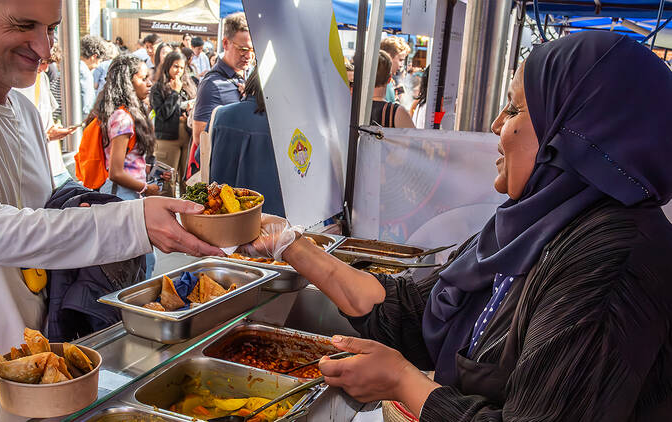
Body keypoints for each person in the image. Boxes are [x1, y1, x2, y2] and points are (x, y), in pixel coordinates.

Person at [241, 31, 672, 420]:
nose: (497, 125)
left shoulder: (612, 263)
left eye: (516, 108)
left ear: (574, 131)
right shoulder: (534, 224)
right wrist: (290, 246)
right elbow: (416, 314)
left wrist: (403, 383)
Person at [0, 0, 222, 354]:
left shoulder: (26, 112)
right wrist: (133, 221)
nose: (45, 49)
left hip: (36, 361)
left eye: (50, 29)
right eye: (23, 26)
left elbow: (39, 221)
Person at [87, 54, 166, 279]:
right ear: (127, 82)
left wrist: (152, 174)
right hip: (121, 196)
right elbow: (116, 171)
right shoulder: (122, 117)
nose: (149, 83)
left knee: (138, 260)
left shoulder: (124, 113)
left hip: (125, 194)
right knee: (141, 261)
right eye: (143, 79)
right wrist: (145, 188)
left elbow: (128, 163)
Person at [208, 68, 285, 217]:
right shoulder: (286, 126)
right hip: (271, 220)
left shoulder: (220, 115)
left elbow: (203, 158)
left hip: (221, 215)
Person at [190, 12, 252, 177]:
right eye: (243, 49)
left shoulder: (245, 76)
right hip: (223, 175)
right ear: (225, 43)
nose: (249, 56)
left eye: (252, 50)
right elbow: (200, 138)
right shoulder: (212, 84)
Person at [14, 49, 77, 187]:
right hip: (34, 169)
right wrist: (47, 136)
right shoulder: (13, 86)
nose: (45, 68)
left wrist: (55, 129)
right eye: (42, 62)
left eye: (48, 63)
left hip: (55, 166)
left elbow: (46, 113)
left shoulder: (42, 78)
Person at [151, 51, 196, 196]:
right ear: (167, 66)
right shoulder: (158, 87)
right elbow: (162, 113)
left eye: (182, 68)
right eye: (175, 66)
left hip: (187, 137)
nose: (178, 71)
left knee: (187, 181)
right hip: (167, 139)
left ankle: (187, 215)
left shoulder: (188, 85)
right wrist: (175, 93)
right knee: (166, 182)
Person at [369, 51, 414, 128]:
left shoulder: (351, 107)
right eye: (400, 60)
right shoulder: (397, 112)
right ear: (389, 79)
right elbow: (416, 139)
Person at [80, 34, 104, 118]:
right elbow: (87, 106)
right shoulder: (85, 73)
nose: (98, 65)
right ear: (94, 57)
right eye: (100, 61)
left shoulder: (73, 66)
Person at [379, 36, 410, 103]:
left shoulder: (389, 81)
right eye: (400, 60)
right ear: (389, 56)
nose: (401, 65)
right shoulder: (382, 82)